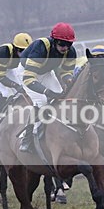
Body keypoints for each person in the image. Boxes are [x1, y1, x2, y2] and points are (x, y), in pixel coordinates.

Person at [18, 22, 78, 152]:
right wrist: (46, 91)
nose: (65, 48)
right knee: (42, 101)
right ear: (54, 40)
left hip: (45, 72)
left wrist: (68, 80)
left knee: (61, 97)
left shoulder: (71, 52)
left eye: (69, 44)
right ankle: (28, 138)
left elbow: (66, 72)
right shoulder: (41, 47)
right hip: (26, 72)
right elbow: (29, 79)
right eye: (62, 44)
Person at [0, 32, 32, 120]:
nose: (24, 54)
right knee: (4, 93)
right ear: (15, 48)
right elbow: (0, 77)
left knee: (24, 89)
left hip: (10, 67)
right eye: (21, 51)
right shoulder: (4, 52)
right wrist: (15, 85)